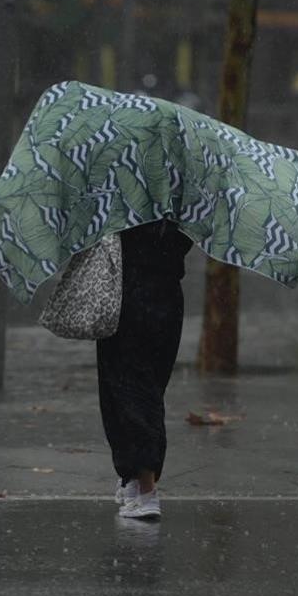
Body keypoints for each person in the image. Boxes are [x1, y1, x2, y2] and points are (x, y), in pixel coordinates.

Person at [97, 219, 193, 521]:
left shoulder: (123, 192)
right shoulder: (185, 193)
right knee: (146, 392)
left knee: (129, 391)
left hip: (126, 296)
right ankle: (133, 478)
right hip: (167, 300)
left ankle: (146, 488)